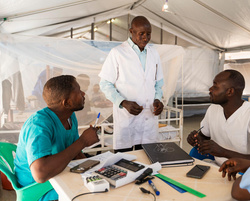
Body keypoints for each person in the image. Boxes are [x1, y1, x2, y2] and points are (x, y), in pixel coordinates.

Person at [14, 75, 99, 201]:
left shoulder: (70, 117)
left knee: (100, 186)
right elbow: (40, 175)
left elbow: (76, 153)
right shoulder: (38, 125)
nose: (83, 93)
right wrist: (83, 141)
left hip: (58, 174)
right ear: (67, 102)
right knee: (91, 195)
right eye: (78, 91)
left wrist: (94, 172)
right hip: (37, 188)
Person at [99, 16, 164, 152]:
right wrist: (123, 102)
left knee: (148, 158)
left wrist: (157, 98)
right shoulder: (117, 53)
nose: (145, 38)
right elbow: (105, 83)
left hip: (149, 115)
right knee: (125, 161)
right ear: (131, 31)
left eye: (148, 34)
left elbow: (158, 82)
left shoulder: (154, 53)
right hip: (127, 117)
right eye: (141, 34)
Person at [187, 69, 250, 166]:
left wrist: (223, 152)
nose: (210, 89)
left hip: (246, 172)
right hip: (219, 168)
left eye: (215, 86)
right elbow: (203, 137)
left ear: (230, 92)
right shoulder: (213, 109)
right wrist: (196, 139)